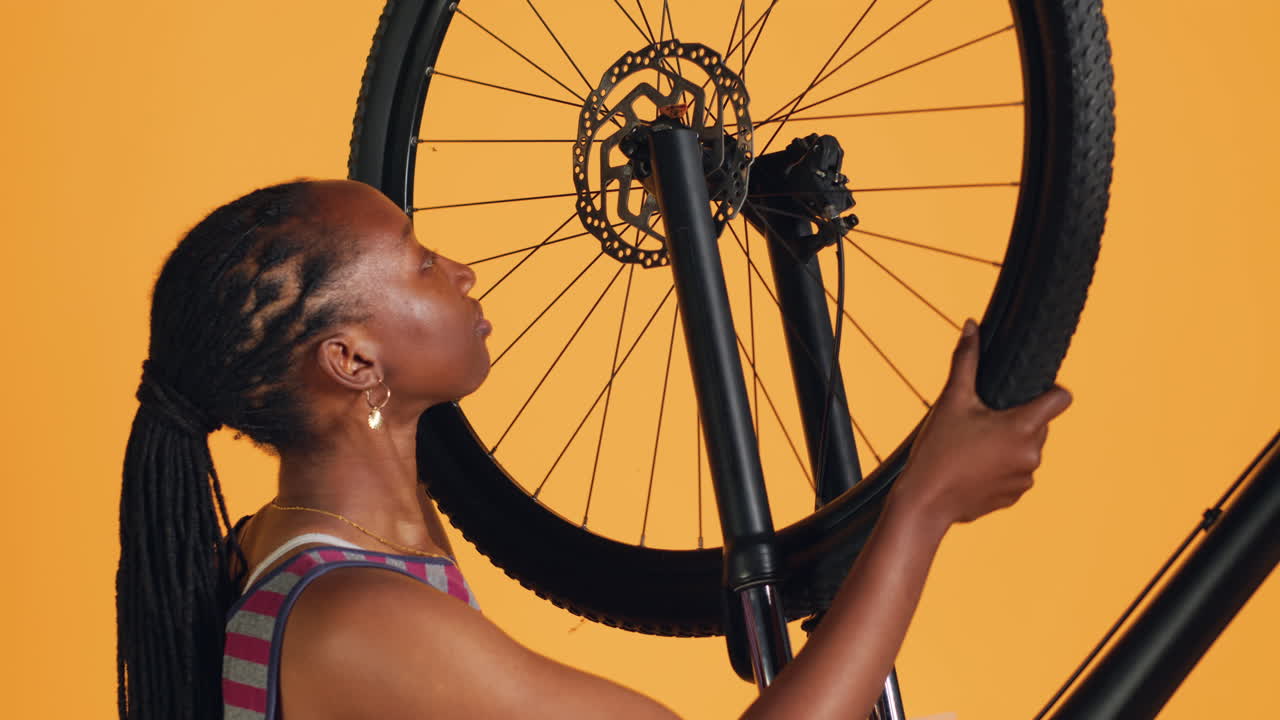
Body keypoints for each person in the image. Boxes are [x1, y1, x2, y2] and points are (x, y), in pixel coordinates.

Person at [117, 178, 1072, 720]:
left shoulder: (317, 539)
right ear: (355, 360)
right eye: (418, 260)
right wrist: (924, 504)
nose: (461, 270)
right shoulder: (359, 619)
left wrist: (696, 197)